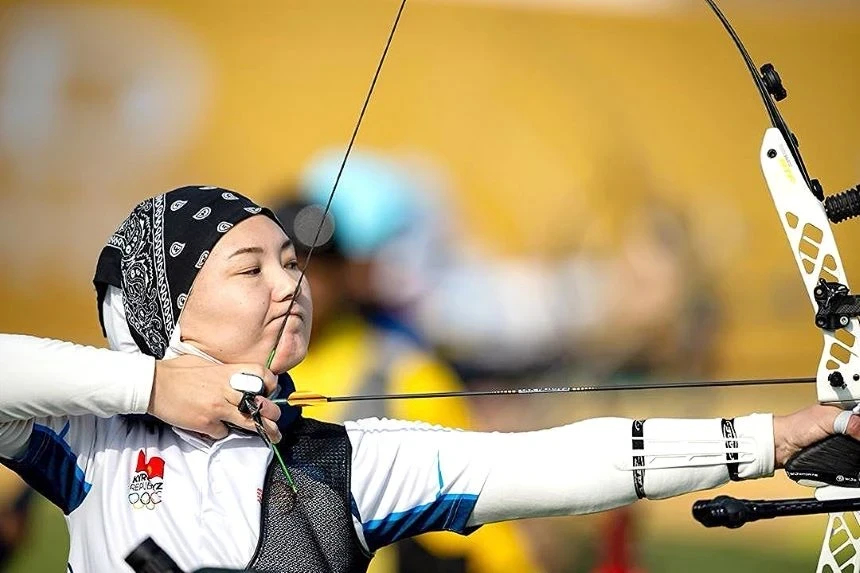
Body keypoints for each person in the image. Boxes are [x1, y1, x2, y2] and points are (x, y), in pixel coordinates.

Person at [0, 185, 856, 573]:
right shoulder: (91, 443)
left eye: (293, 263)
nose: (290, 283)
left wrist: (774, 438)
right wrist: (156, 389)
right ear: (165, 305)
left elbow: (556, 463)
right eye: (250, 268)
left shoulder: (350, 463)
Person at [273, 197, 542, 573]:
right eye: (288, 266)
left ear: (346, 274)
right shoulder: (227, 380)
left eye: (317, 269)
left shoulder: (406, 374)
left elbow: (482, 518)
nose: (298, 286)